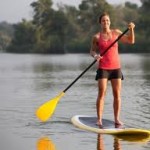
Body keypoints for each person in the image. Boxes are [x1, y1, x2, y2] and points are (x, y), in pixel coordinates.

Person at [90, 12, 135, 126]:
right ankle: (99, 119)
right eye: (104, 21)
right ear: (100, 23)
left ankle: (116, 119)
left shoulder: (116, 33)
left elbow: (131, 41)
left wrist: (131, 30)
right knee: (102, 93)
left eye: (107, 20)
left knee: (117, 94)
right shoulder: (96, 37)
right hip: (103, 68)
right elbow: (92, 51)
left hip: (116, 68)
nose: (106, 22)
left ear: (110, 22)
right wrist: (95, 56)